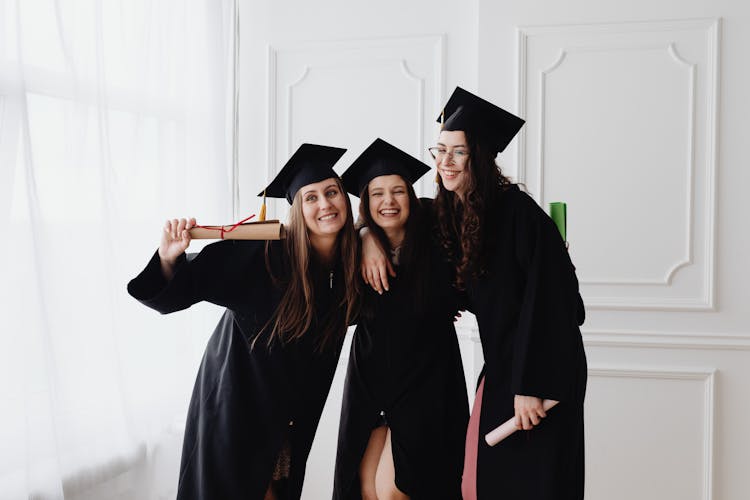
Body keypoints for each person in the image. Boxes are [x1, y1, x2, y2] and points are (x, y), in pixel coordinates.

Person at [361, 87, 587, 500]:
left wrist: (531, 384)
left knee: (525, 486)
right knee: (477, 484)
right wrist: (364, 237)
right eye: (440, 150)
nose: (444, 163)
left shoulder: (517, 213)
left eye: (457, 152)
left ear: (478, 156)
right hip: (501, 369)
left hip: (538, 373)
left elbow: (556, 304)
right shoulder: (456, 216)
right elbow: (392, 220)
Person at [127, 144, 359, 500]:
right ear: (297, 209)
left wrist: (371, 236)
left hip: (288, 426)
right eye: (311, 197)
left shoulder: (347, 273)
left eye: (332, 193)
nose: (325, 204)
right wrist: (169, 257)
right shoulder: (263, 256)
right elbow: (181, 290)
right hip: (235, 417)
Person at [332, 138, 468, 500]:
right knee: (365, 488)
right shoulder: (352, 247)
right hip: (371, 375)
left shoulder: (439, 238)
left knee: (397, 489)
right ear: (366, 202)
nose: (388, 202)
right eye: (377, 194)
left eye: (397, 192)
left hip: (426, 378)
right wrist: (363, 236)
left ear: (411, 196)